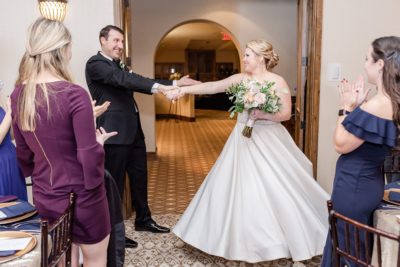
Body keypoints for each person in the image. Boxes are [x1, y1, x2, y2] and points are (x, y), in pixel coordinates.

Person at [170, 40, 329, 263]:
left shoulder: (277, 81)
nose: (243, 59)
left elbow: (285, 113)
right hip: (242, 138)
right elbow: (212, 86)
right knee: (236, 186)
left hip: (270, 139)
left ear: (261, 57)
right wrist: (181, 89)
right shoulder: (240, 79)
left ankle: (286, 240)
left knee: (276, 186)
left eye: (247, 55)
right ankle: (234, 239)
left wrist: (261, 114)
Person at [11, 18, 115, 266]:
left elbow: (24, 153)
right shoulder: (74, 94)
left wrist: (36, 175)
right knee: (95, 259)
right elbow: (88, 155)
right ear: (62, 49)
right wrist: (99, 144)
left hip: (46, 191)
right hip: (84, 193)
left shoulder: (18, 94)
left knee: (62, 259)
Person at [85, 25, 200, 246]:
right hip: (113, 133)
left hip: (134, 131)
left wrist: (175, 84)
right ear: (102, 40)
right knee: (115, 184)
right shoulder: (96, 64)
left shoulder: (119, 65)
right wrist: (163, 89)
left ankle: (143, 220)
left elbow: (137, 79)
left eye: (121, 41)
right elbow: (124, 81)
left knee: (140, 178)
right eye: (115, 41)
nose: (120, 46)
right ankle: (114, 232)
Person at [321, 36, 400, 266]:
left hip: (354, 186)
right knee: (353, 248)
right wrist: (358, 109)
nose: (364, 64)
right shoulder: (387, 101)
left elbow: (340, 143)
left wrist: (345, 107)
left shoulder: (378, 104)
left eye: (367, 59)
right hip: (366, 182)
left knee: (347, 252)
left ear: (380, 64)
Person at [0, 89, 27, 201]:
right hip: (1, 165)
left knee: (20, 209)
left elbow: (10, 136)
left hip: (11, 160)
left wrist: (15, 113)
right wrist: (10, 111)